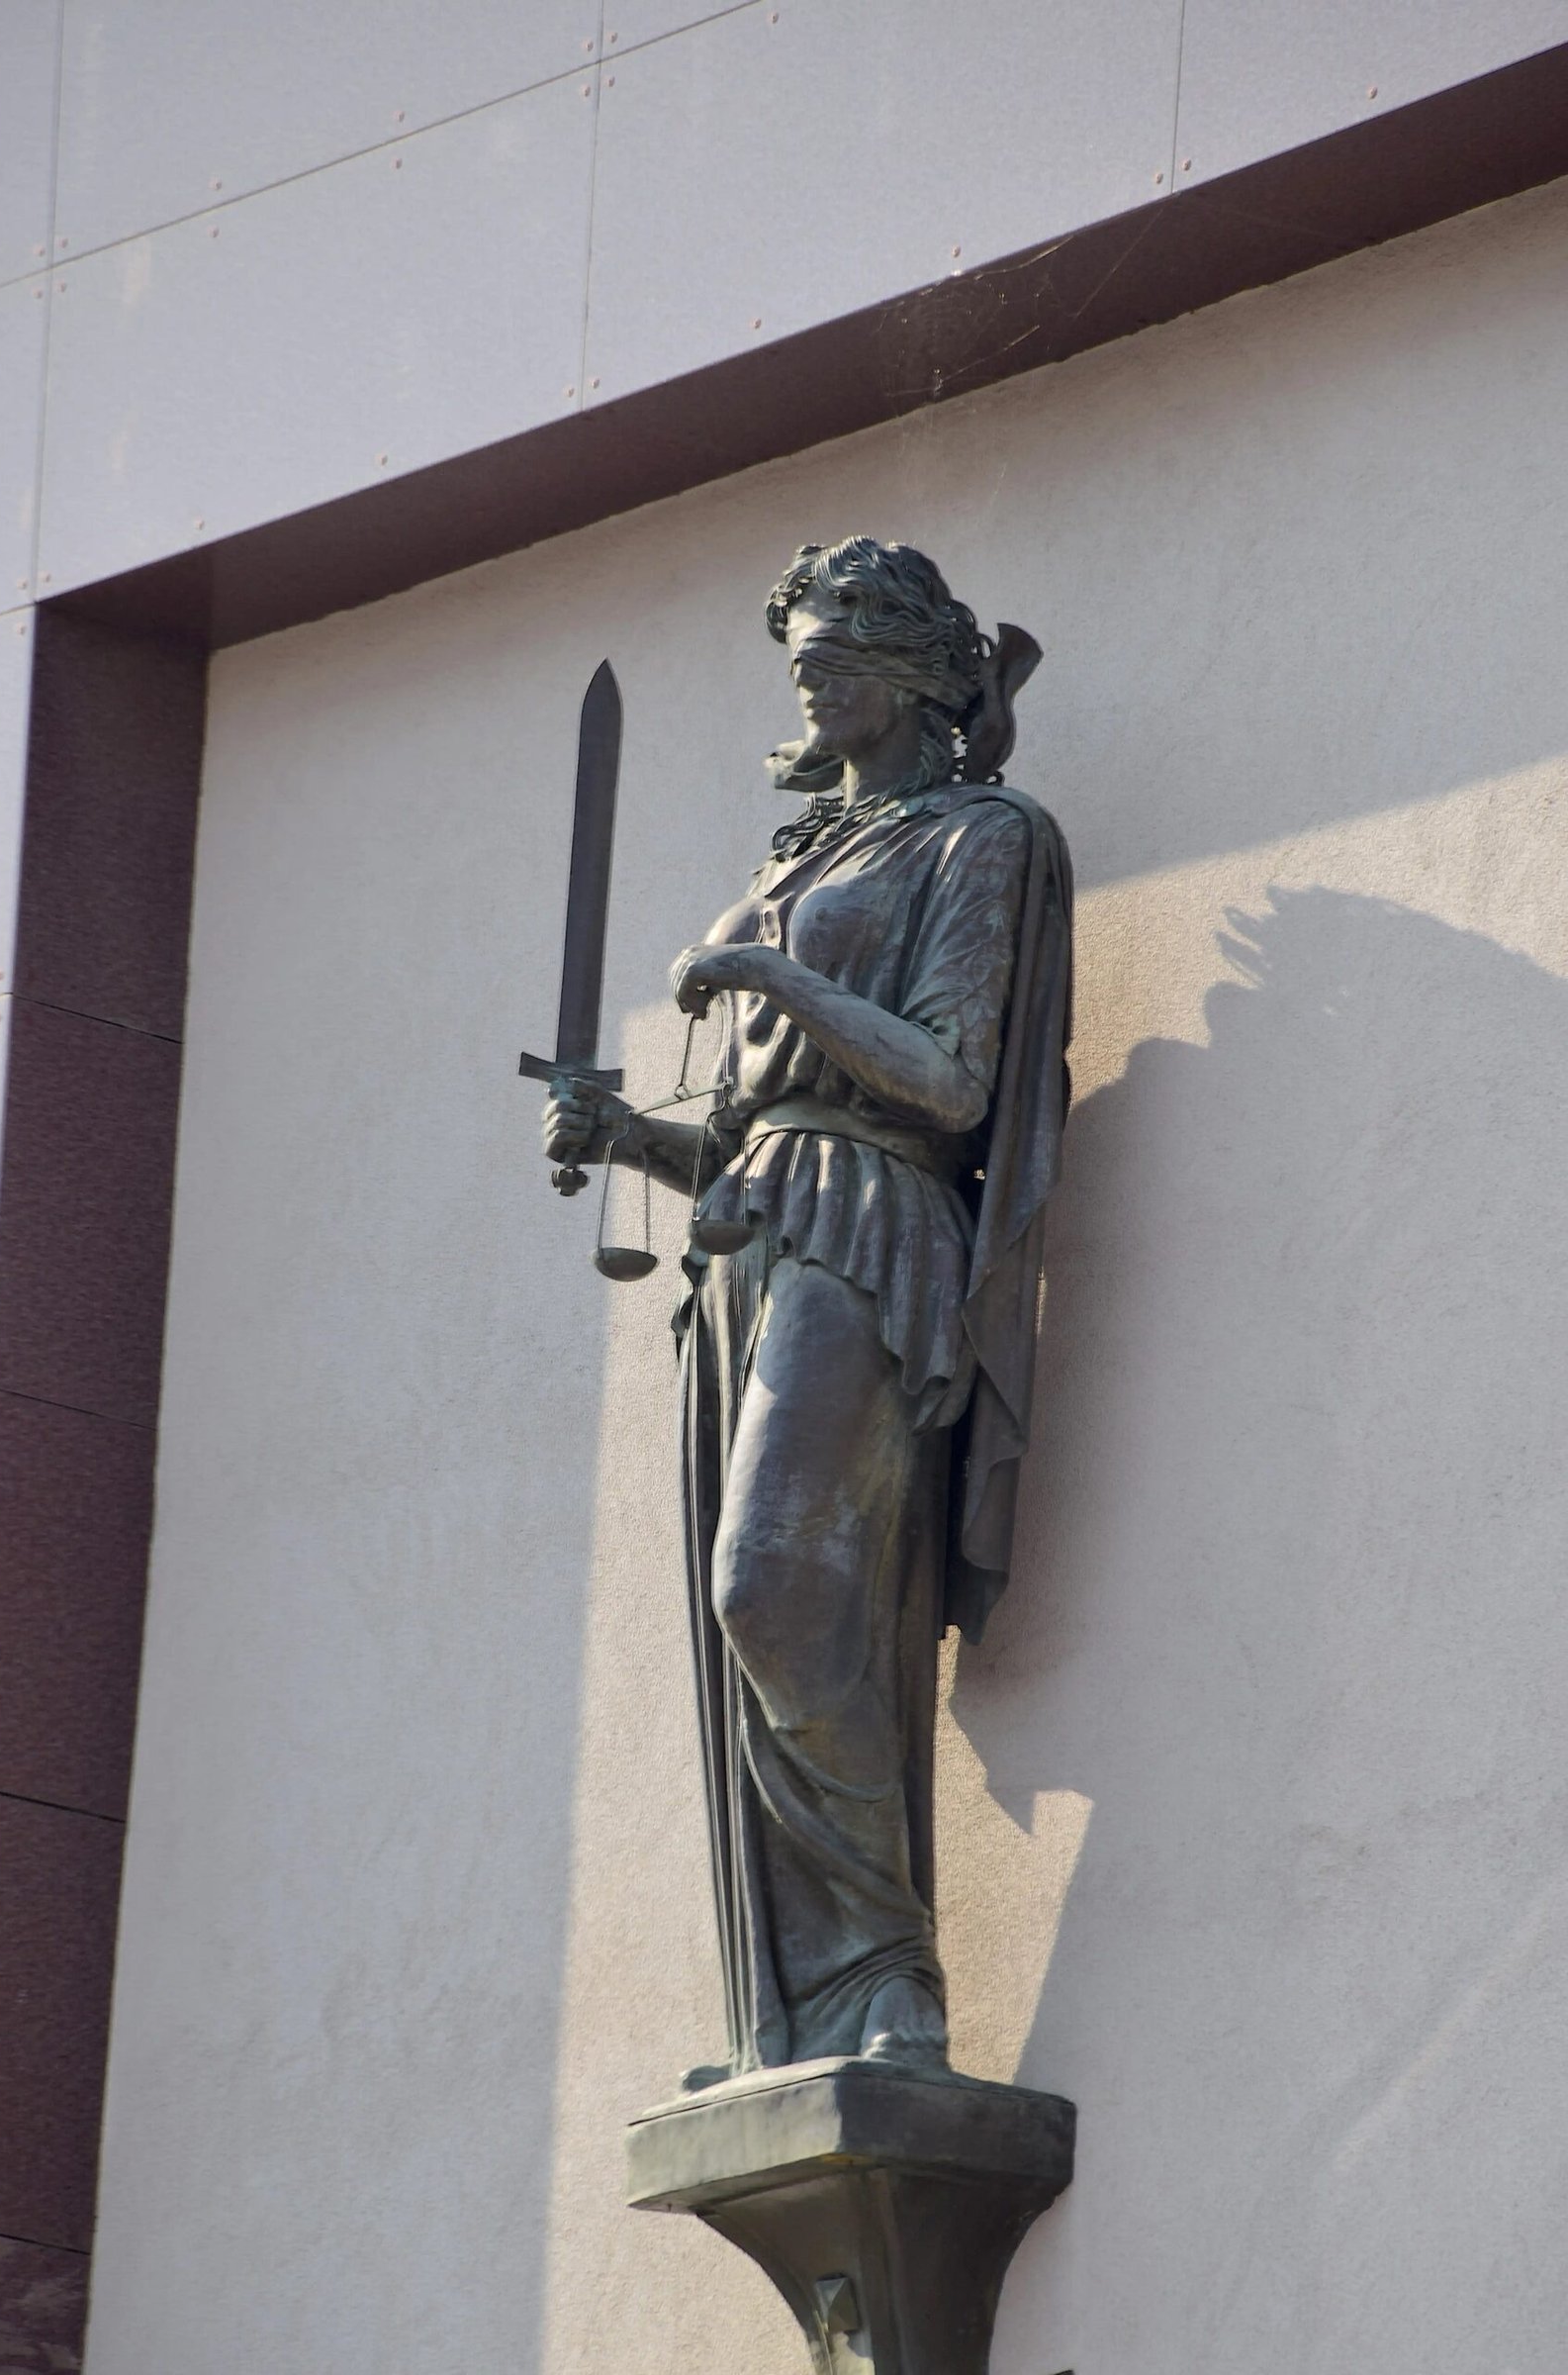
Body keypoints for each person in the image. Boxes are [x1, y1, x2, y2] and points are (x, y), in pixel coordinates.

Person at [544, 537, 1072, 2077]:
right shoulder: (797, 860)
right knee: (757, 1622)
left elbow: (950, 1085)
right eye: (801, 658)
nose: (811, 680)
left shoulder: (981, 838)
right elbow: (745, 1135)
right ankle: (805, 2016)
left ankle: (891, 1972)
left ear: (912, 674)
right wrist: (623, 1138)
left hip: (874, 1225)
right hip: (752, 1230)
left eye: (839, 654)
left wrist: (773, 980)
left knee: (771, 1583)